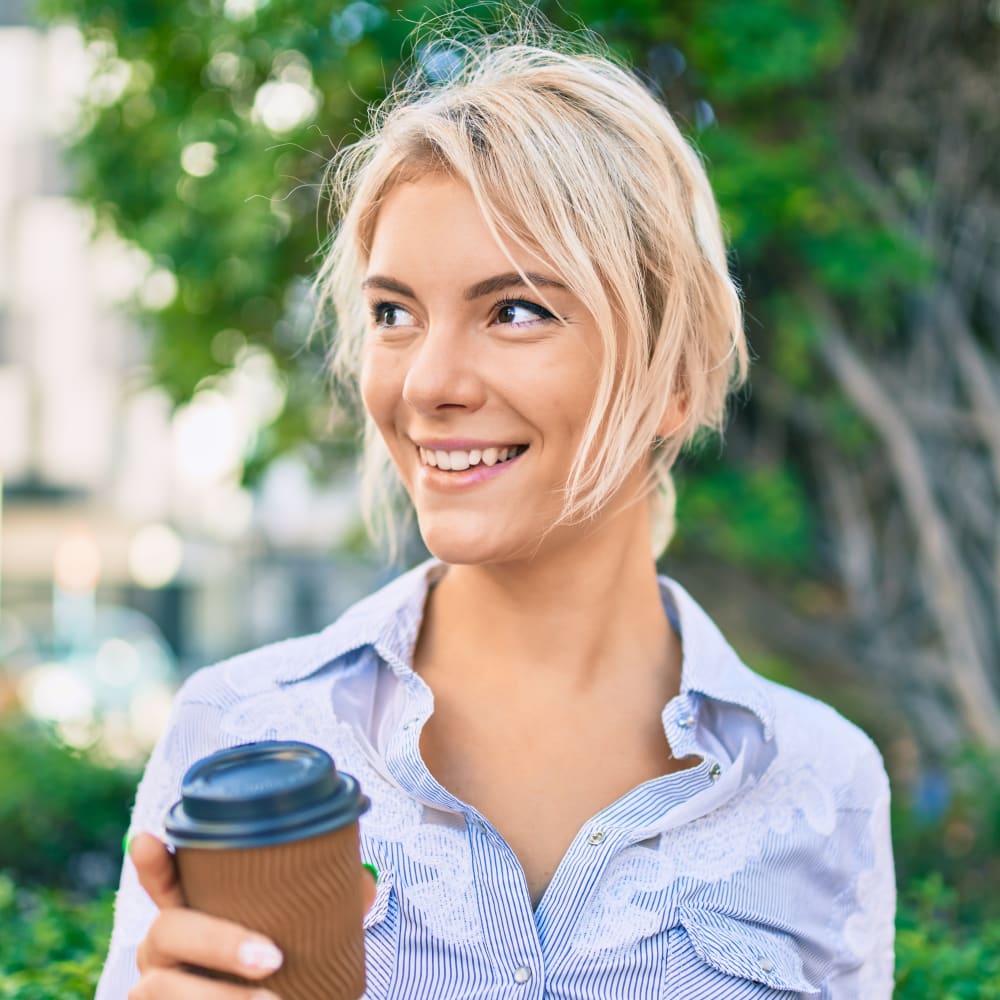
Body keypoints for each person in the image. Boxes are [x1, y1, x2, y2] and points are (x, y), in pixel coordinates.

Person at [98, 17, 896, 1000]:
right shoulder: (236, 731)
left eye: (515, 309)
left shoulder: (822, 785)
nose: (426, 382)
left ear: (677, 379)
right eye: (394, 313)